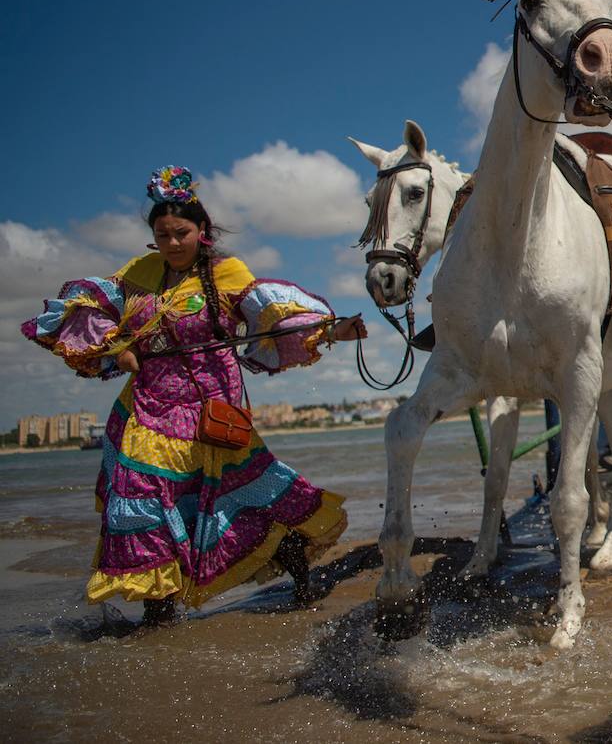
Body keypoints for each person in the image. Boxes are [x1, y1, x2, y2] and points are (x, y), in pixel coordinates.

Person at [21, 166, 365, 626]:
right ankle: (157, 616)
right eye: (162, 235)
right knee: (142, 501)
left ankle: (301, 583)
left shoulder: (227, 273)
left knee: (245, 496)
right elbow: (93, 314)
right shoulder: (139, 274)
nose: (172, 243)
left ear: (202, 231)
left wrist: (333, 330)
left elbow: (274, 317)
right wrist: (117, 347)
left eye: (181, 232)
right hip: (145, 410)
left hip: (211, 412)